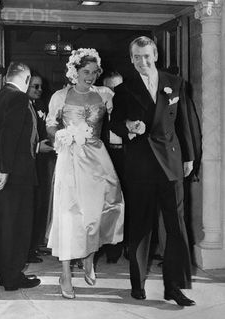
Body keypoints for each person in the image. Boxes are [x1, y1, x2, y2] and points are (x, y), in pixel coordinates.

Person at [110, 36, 196, 306]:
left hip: (171, 164)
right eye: (137, 57)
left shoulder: (175, 83)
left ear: (155, 54)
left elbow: (185, 124)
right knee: (141, 227)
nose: (142, 62)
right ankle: (137, 284)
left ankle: (173, 286)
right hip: (140, 166)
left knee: (175, 227)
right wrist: (129, 126)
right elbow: (114, 125)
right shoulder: (124, 90)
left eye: (146, 56)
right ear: (131, 58)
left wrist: (190, 157)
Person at [46, 48, 124, 299]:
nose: (90, 76)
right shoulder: (60, 96)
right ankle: (66, 273)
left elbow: (120, 120)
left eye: (94, 72)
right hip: (70, 159)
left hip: (98, 161)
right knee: (69, 215)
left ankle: (89, 258)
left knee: (95, 214)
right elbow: (50, 124)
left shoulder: (105, 94)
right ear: (74, 71)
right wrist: (60, 134)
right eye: (85, 72)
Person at [0, 62, 41, 291]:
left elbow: (1, 135)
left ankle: (5, 275)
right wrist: (6, 170)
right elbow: (9, 135)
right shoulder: (19, 98)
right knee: (17, 225)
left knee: (2, 224)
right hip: (14, 174)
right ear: (26, 78)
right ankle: (12, 277)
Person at [27, 73, 54, 263]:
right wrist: (37, 148)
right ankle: (27, 249)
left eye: (41, 86)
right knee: (30, 206)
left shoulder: (42, 106)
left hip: (42, 163)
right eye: (35, 86)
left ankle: (35, 245)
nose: (39, 90)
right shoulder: (21, 105)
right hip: (29, 163)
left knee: (40, 204)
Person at [100, 71, 126, 263]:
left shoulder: (129, 107)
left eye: (117, 89)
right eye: (109, 89)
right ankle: (111, 249)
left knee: (128, 202)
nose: (113, 93)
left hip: (126, 158)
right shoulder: (98, 109)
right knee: (108, 203)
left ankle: (127, 246)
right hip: (105, 158)